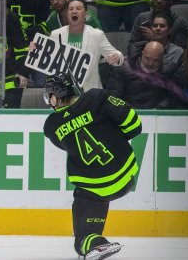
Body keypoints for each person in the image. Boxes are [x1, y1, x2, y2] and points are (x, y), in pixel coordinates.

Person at [43, 72, 142, 260]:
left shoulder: (51, 127)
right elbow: (134, 125)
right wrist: (111, 133)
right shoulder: (96, 97)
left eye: (50, 96)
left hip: (94, 189)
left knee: (81, 238)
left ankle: (94, 242)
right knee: (102, 184)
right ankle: (97, 241)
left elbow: (67, 141)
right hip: (126, 177)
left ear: (55, 96)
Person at [50, 0, 123, 92]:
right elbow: (46, 59)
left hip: (90, 92)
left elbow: (117, 55)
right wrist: (34, 49)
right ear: (67, 14)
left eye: (78, 8)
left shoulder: (96, 35)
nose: (74, 11)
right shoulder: (56, 34)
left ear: (85, 14)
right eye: (71, 9)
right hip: (63, 93)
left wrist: (117, 56)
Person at [108, 41, 185, 109]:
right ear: (142, 54)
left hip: (158, 114)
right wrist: (127, 109)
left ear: (162, 58)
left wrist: (160, 108)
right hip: (127, 111)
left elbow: (173, 97)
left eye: (156, 60)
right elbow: (114, 96)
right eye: (147, 58)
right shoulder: (124, 67)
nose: (150, 63)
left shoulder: (170, 69)